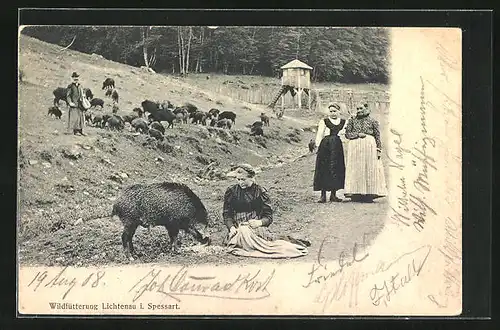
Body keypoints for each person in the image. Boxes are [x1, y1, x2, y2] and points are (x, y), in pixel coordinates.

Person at [222, 164, 309, 258]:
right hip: (237, 226)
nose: (240, 182)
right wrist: (231, 228)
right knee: (240, 235)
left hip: (255, 227)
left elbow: (268, 217)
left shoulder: (260, 192)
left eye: (243, 179)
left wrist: (259, 222)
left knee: (270, 245)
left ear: (251, 178)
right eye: (238, 179)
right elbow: (227, 214)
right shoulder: (231, 191)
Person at [344, 104, 387, 202]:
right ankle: (356, 193)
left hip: (369, 147)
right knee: (356, 168)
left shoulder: (373, 121)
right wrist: (357, 134)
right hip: (355, 148)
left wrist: (378, 149)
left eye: (361, 108)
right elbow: (347, 134)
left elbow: (377, 136)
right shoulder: (352, 121)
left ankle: (369, 194)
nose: (359, 110)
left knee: (369, 168)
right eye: (357, 109)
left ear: (367, 109)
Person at [313, 103, 347, 203]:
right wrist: (318, 146)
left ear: (339, 111)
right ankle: (323, 195)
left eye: (335, 111)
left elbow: (344, 135)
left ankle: (333, 194)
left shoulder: (343, 122)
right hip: (325, 146)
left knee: (335, 168)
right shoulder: (324, 121)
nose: (333, 113)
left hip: (337, 147)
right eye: (331, 111)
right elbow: (320, 134)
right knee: (324, 168)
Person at [66, 71, 86, 136]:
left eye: (77, 77)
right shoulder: (70, 86)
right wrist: (70, 102)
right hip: (74, 105)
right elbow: (68, 96)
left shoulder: (80, 86)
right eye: (74, 77)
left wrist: (83, 99)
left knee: (81, 117)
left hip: (80, 104)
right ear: (72, 78)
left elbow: (82, 94)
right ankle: (75, 131)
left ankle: (81, 130)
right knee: (75, 118)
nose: (76, 79)